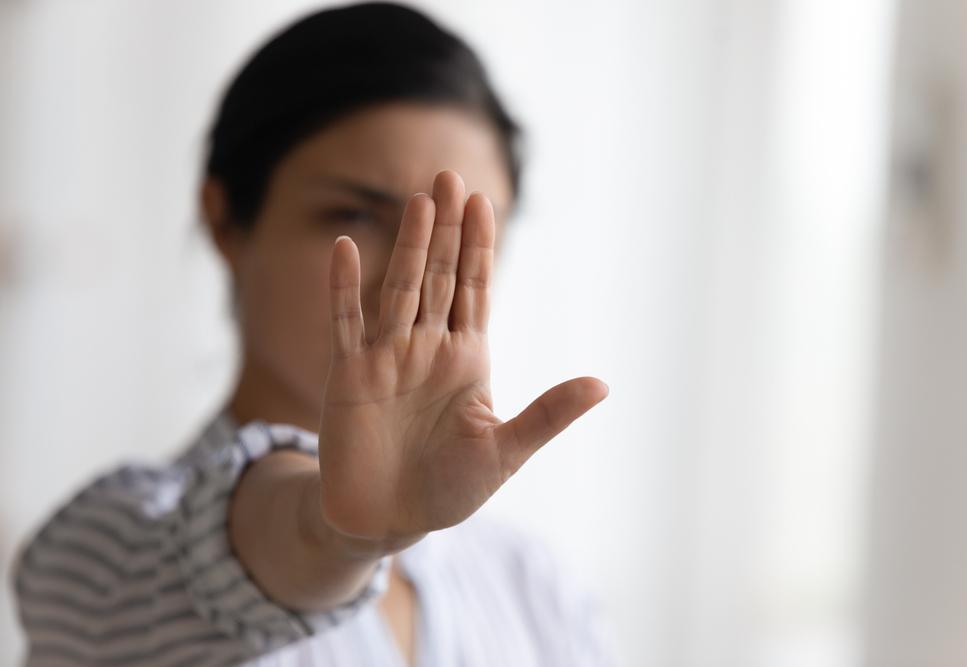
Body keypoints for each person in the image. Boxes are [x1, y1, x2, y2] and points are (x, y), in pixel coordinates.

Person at [11, 3, 612, 665]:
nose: (404, 280)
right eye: (354, 213)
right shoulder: (103, 559)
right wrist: (338, 531)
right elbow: (240, 561)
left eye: (456, 235)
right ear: (225, 221)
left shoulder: (533, 587)